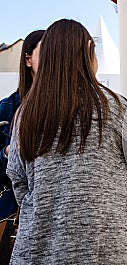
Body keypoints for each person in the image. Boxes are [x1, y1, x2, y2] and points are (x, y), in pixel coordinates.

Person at [6, 19, 127, 264]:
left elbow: (17, 177)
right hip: (100, 249)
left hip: (38, 249)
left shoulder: (27, 112)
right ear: (88, 51)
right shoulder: (115, 108)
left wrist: (44, 210)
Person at [0, 30, 44, 263]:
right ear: (28, 59)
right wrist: (6, 153)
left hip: (50, 217)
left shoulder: (68, 108)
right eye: (45, 52)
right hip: (10, 212)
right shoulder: (7, 108)